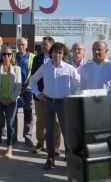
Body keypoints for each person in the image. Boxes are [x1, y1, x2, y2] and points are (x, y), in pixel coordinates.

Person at [30, 42, 80, 170]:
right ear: (50, 53)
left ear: (63, 55)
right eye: (54, 52)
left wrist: (73, 97)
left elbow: (78, 83)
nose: (57, 55)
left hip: (64, 103)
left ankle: (70, 160)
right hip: (47, 103)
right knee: (49, 133)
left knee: (66, 133)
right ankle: (50, 159)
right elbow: (33, 80)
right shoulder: (44, 67)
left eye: (60, 53)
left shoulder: (69, 68)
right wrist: (37, 93)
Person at [78, 40, 111, 160]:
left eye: (100, 49)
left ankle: (109, 171)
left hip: (109, 109)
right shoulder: (85, 68)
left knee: (109, 143)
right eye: (94, 49)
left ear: (106, 51)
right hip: (90, 109)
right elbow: (81, 89)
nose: (96, 52)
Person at [30, 36, 62, 155]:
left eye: (45, 44)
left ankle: (56, 145)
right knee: (40, 120)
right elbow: (33, 76)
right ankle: (40, 143)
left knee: (56, 122)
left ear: (52, 45)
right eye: (42, 44)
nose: (43, 46)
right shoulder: (37, 58)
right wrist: (37, 93)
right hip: (40, 96)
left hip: (54, 96)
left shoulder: (59, 59)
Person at [0, 47, 21, 158]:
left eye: (9, 54)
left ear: (12, 56)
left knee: (10, 125)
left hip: (12, 101)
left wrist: (10, 99)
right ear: (1, 56)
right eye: (4, 54)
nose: (6, 56)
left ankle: (9, 148)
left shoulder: (17, 69)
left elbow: (18, 86)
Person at [14, 37, 35, 147]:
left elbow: (34, 72)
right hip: (15, 89)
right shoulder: (13, 56)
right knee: (13, 113)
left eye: (23, 44)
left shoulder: (32, 57)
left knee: (28, 113)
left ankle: (28, 137)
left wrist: (26, 85)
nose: (21, 46)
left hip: (28, 89)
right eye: (19, 44)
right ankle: (13, 137)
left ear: (26, 46)